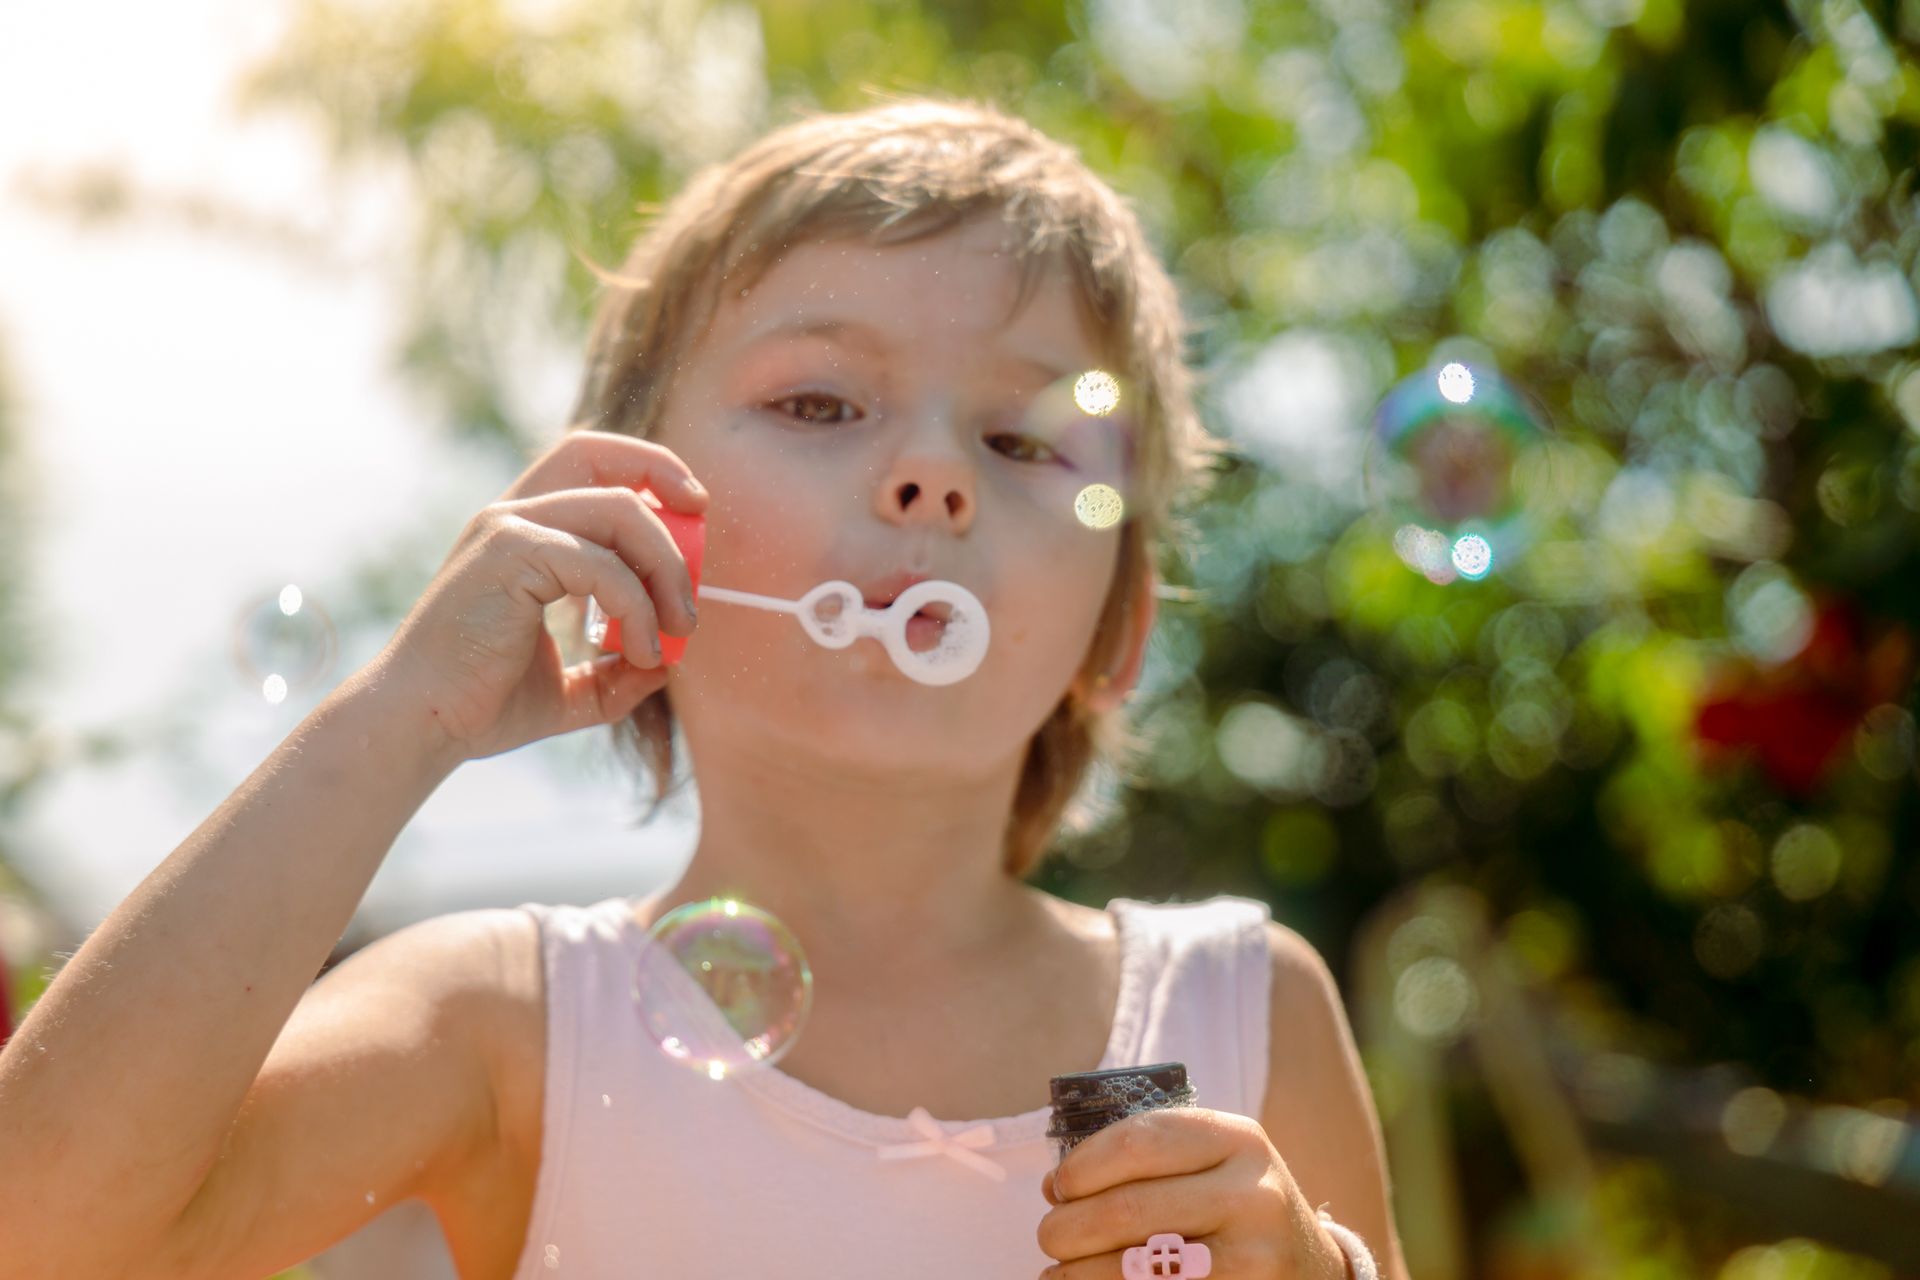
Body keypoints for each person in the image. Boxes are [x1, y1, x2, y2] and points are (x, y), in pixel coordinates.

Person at [0, 97, 1407, 1279]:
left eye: (1022, 438)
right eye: (820, 405)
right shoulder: (511, 1022)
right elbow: (44, 1236)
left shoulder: (1241, 1012)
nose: (933, 476)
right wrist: (399, 722)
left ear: (1118, 627)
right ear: (628, 524)